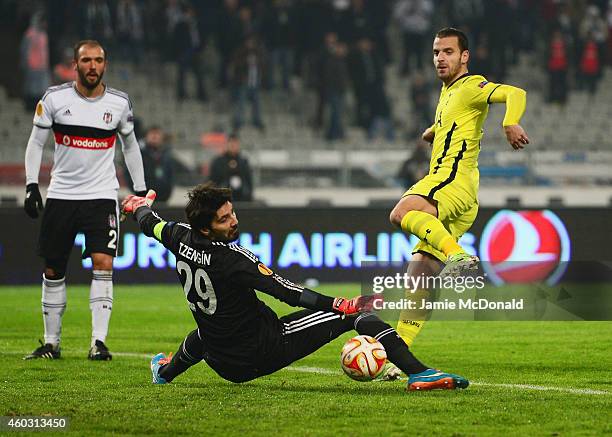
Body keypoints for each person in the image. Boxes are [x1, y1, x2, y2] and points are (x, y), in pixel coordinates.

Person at [120, 184, 469, 391]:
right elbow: (287, 291)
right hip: (263, 348)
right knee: (359, 315)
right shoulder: (234, 259)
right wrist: (341, 303)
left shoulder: (179, 236)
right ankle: (420, 373)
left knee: (207, 329)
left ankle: (165, 373)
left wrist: (137, 206)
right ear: (207, 229)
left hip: (220, 360)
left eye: (232, 212)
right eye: (224, 219)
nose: (234, 220)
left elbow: (151, 222)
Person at [388, 28, 529, 349]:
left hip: (451, 181)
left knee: (401, 213)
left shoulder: (470, 85)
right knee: (419, 278)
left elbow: (515, 92)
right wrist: (432, 131)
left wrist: (510, 122)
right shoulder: (448, 93)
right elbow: (455, 122)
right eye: (437, 52)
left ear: (464, 56)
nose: (440, 58)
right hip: (463, 197)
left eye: (448, 52)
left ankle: (457, 255)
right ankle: (401, 353)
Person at [23, 40, 146, 361]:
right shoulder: (54, 98)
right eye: (86, 60)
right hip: (62, 195)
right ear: (74, 64)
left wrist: (141, 188)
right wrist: (31, 185)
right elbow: (36, 143)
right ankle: (51, 343)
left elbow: (130, 146)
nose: (93, 66)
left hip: (102, 196)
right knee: (53, 269)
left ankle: (98, 342)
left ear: (105, 64)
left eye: (99, 60)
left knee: (104, 264)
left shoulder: (119, 103)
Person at [124, 126, 175, 203]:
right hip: (143, 199)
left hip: (163, 200)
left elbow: (171, 176)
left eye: (157, 134)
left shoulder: (166, 155)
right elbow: (129, 172)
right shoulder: (139, 154)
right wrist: (139, 192)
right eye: (152, 134)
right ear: (146, 136)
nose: (155, 136)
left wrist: (167, 192)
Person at [209, 134, 253, 202]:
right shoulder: (218, 161)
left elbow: (248, 180)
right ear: (226, 144)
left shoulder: (243, 162)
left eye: (235, 143)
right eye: (231, 142)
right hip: (222, 195)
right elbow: (213, 180)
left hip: (242, 195)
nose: (233, 145)